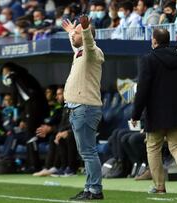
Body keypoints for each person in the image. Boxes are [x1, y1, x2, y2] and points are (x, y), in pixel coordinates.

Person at [131, 28, 177, 194]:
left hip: (156, 113)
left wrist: (135, 114)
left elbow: (143, 89)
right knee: (176, 146)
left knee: (153, 148)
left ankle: (159, 186)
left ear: (154, 41)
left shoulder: (148, 59)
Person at [61, 15, 105, 200]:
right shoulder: (79, 51)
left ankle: (94, 190)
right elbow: (76, 42)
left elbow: (87, 42)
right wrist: (72, 30)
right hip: (78, 109)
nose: (74, 36)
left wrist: (85, 30)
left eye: (77, 34)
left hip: (85, 108)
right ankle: (89, 187)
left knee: (88, 151)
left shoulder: (92, 51)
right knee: (86, 152)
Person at [1, 62, 49, 172]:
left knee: (30, 134)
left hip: (32, 107)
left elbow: (22, 97)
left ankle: (35, 165)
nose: (3, 75)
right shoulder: (25, 76)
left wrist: (23, 117)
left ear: (8, 71)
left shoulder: (14, 77)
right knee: (30, 134)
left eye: (4, 72)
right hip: (36, 107)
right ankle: (32, 164)